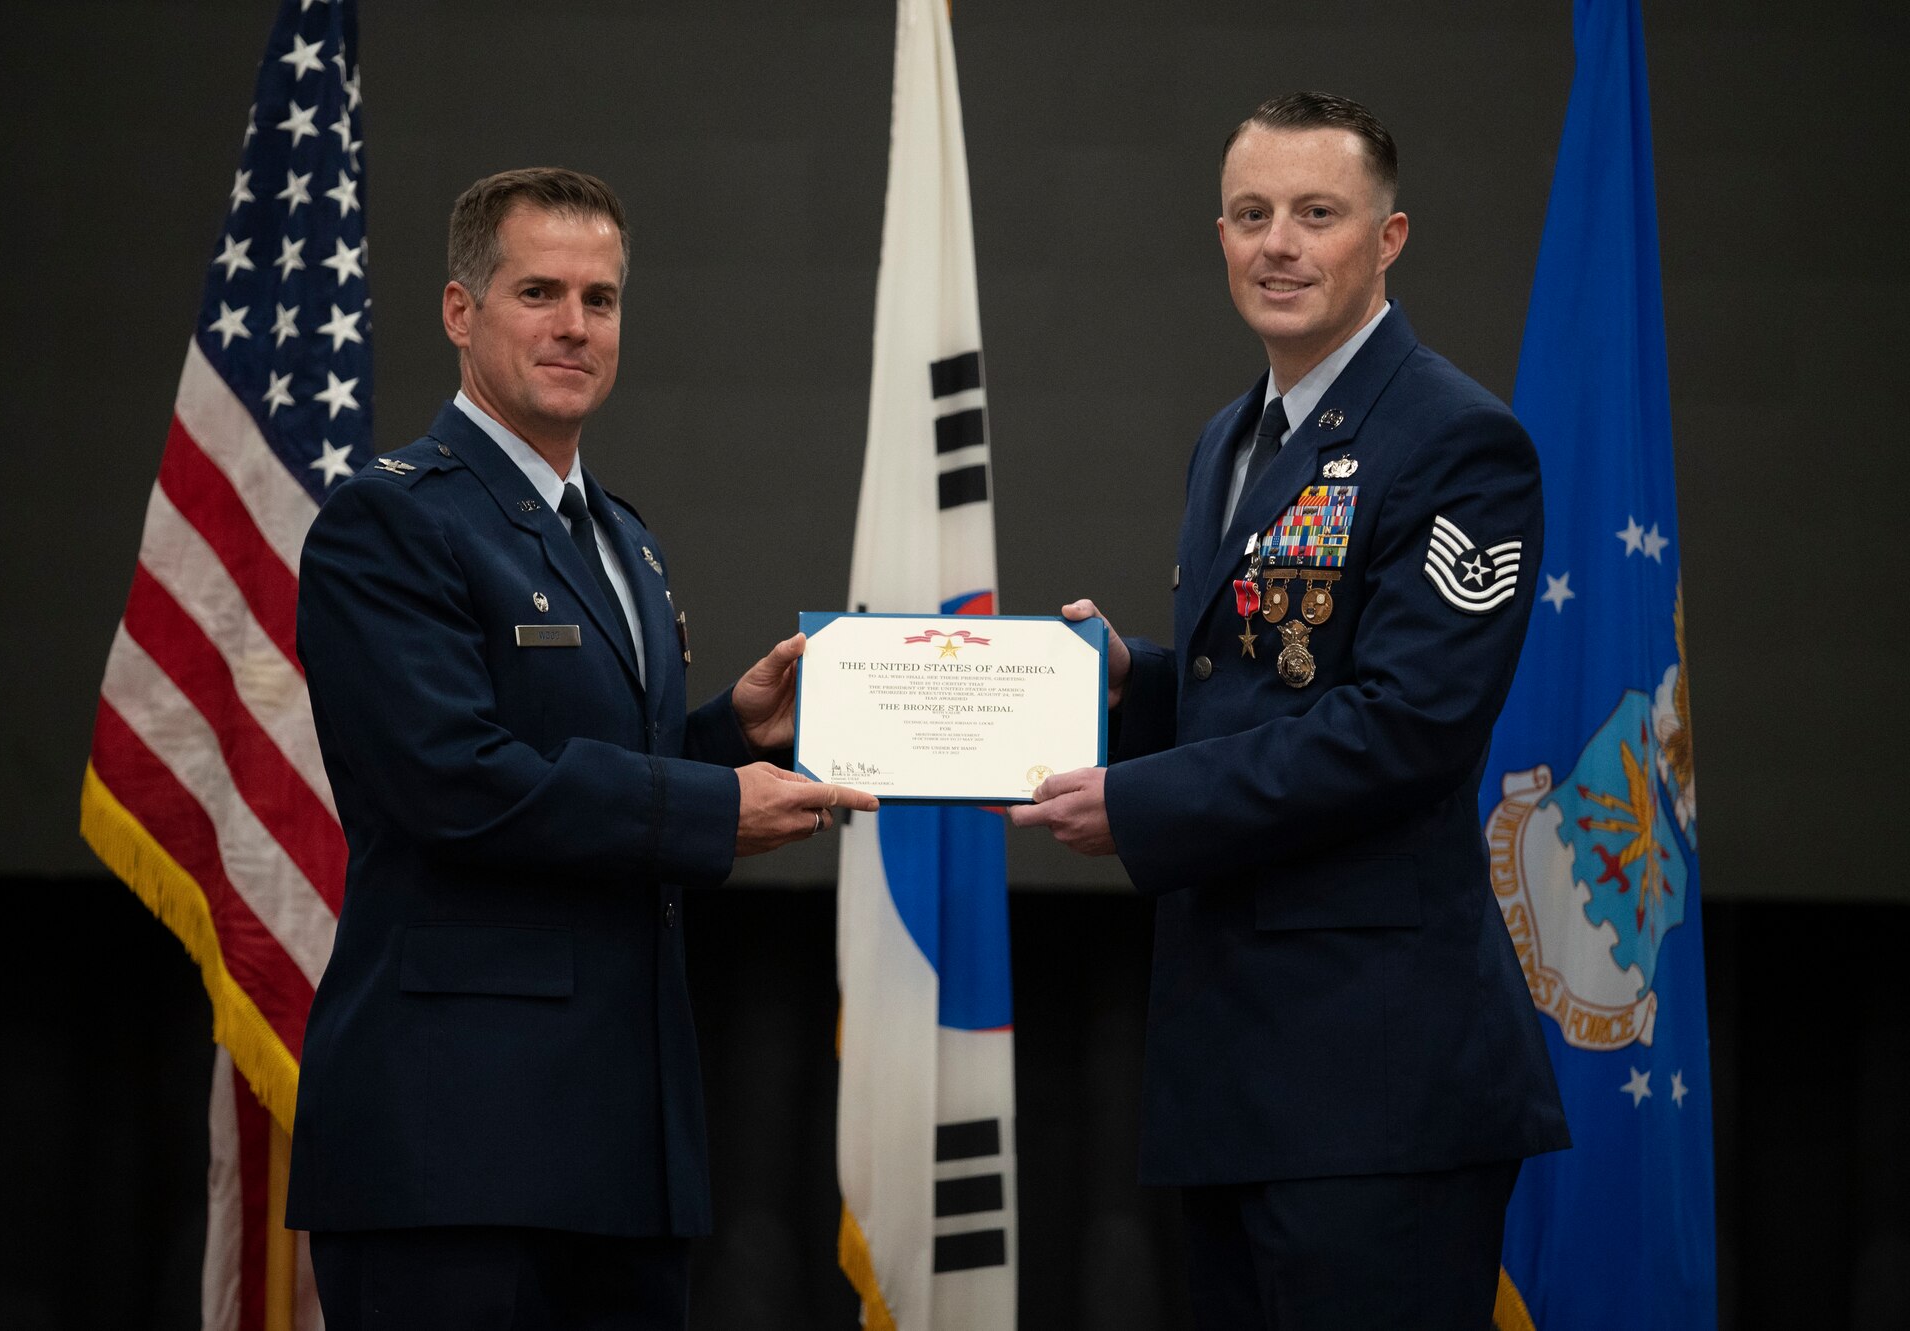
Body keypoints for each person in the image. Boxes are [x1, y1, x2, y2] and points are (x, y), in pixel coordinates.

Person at [1011, 94, 1570, 1329]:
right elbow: (1264, 679)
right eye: (1252, 214)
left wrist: (1140, 799)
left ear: (1388, 237)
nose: (1278, 243)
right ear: (1218, 234)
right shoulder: (1233, 435)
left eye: (1316, 214)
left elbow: (1406, 727)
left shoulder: (1458, 439)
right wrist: (1132, 681)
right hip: (1239, 1069)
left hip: (1378, 1081)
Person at [285, 168, 876, 1330]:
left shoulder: (621, 537)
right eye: (539, 292)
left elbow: (598, 762)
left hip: (620, 1144)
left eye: (599, 299)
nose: (573, 326)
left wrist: (724, 736)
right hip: (454, 1145)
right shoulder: (390, 521)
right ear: (461, 312)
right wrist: (712, 808)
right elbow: (452, 782)